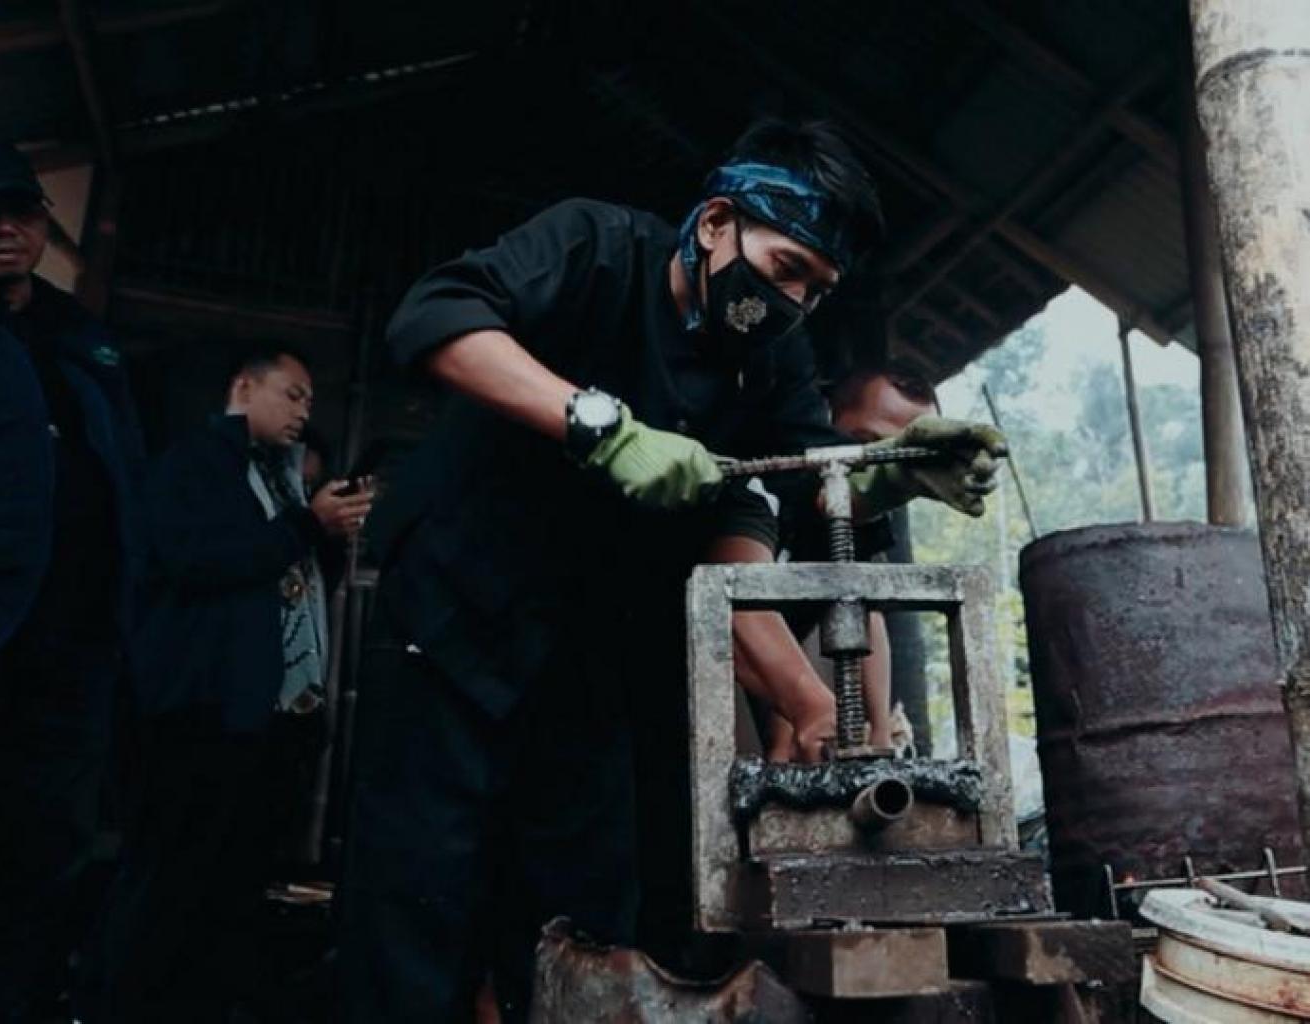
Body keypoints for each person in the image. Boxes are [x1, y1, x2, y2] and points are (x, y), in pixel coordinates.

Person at [338, 117, 1006, 1021]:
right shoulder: (595, 248)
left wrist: (893, 475)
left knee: (581, 901)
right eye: (784, 269)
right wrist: (597, 425)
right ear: (716, 222)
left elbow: (796, 486)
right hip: (455, 619)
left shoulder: (772, 358)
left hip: (592, 648)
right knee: (420, 888)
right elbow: (436, 315)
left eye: (815, 289)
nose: (792, 303)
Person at [87, 346, 373, 1023]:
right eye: (291, 394)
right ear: (244, 387)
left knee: (233, 885)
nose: (303, 410)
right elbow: (201, 560)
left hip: (269, 717)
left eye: (310, 400)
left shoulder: (283, 477)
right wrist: (307, 524)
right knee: (168, 875)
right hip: (202, 707)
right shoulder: (196, 464)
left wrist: (326, 533)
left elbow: (292, 584)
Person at [0, 130, 145, 1021]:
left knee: (43, 854)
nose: (6, 230)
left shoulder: (82, 336)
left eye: (21, 213)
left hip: (69, 643)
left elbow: (123, 468)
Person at [719, 359, 939, 759]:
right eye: (865, 442)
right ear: (825, 420)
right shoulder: (762, 484)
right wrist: (806, 711)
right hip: (705, 655)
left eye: (896, 459)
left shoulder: (864, 520)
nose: (875, 468)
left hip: (785, 669)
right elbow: (739, 607)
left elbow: (868, 613)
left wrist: (881, 736)